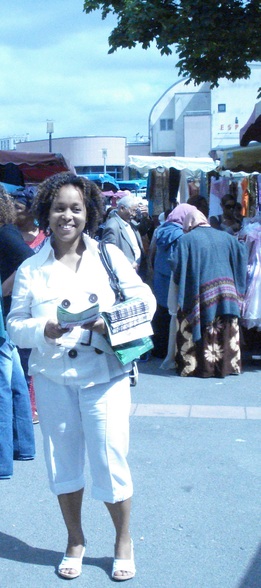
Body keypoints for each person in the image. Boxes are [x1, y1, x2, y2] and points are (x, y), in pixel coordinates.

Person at [7, 172, 156, 581]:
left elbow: (146, 300)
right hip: (54, 377)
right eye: (59, 208)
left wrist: (109, 321)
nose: (67, 216)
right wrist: (44, 329)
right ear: (46, 212)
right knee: (62, 463)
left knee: (110, 461)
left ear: (88, 211)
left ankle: (122, 540)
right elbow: (16, 324)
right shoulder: (31, 268)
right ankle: (75, 539)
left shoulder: (108, 255)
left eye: (76, 208)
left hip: (104, 373)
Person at [172, 208, 247, 377]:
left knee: (192, 325)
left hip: (200, 293)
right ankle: (228, 366)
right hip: (228, 294)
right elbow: (242, 254)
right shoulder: (227, 237)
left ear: (189, 222)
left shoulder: (186, 240)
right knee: (226, 330)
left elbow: (177, 266)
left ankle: (196, 367)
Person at [151, 203, 196, 358]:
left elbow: (152, 253)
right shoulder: (183, 236)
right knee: (173, 316)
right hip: (173, 280)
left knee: (160, 314)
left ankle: (159, 349)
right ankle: (171, 351)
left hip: (159, 278)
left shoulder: (160, 230)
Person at [0, 279, 35, 479]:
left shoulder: (6, 244)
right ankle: (23, 446)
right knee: (14, 383)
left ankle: (3, 461)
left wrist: (4, 289)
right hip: (5, 324)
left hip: (3, 325)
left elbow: (24, 255)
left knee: (3, 390)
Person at [102, 194, 147, 280]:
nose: (134, 214)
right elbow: (108, 251)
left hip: (136, 271)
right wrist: (129, 262)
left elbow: (143, 229)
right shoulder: (113, 226)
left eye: (135, 211)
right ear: (122, 208)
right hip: (125, 273)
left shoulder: (131, 223)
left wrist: (145, 217)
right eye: (132, 211)